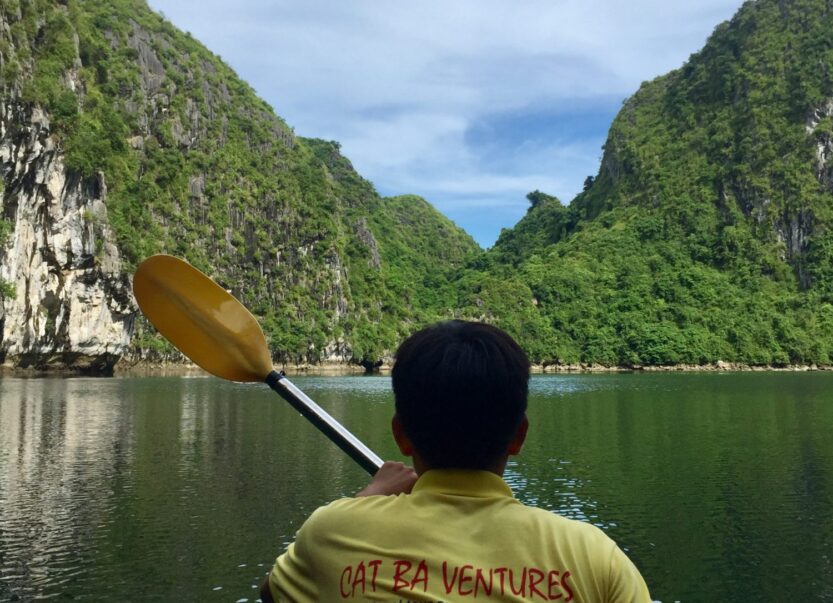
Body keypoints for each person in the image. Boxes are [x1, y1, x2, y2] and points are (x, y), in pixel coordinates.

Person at [261, 320, 651, 602]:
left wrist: (369, 495)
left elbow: (271, 593)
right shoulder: (596, 558)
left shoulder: (331, 532)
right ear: (519, 436)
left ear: (400, 434)